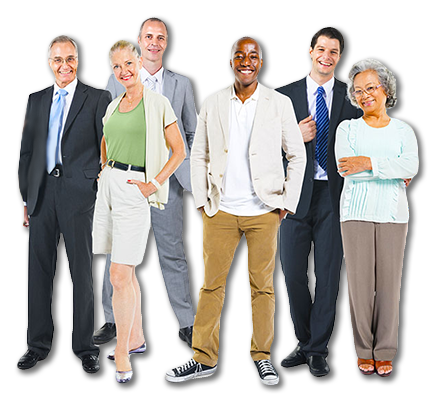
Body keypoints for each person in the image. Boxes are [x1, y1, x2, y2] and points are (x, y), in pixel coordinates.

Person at [163, 35, 306, 385]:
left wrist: (285, 203)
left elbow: (296, 155)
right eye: (238, 54)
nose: (245, 60)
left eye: (252, 55)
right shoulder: (212, 103)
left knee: (264, 287)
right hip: (220, 210)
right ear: (229, 61)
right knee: (211, 286)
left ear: (263, 62)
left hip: (264, 211)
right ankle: (204, 358)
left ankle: (262, 357)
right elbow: (199, 154)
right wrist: (200, 200)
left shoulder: (279, 103)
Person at [94, 17, 198, 350]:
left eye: (160, 37)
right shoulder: (114, 80)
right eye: (148, 36)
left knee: (174, 254)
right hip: (124, 182)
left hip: (166, 184)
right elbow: (104, 132)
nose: (154, 42)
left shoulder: (181, 84)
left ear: (168, 43)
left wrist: (189, 176)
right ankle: (112, 321)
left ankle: (187, 324)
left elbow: (191, 131)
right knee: (116, 257)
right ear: (138, 41)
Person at [16, 34, 112, 378]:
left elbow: (108, 148)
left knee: (82, 274)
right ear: (48, 62)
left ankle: (85, 348)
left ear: (80, 60)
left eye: (70, 58)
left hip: (81, 197)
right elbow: (25, 153)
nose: (64, 65)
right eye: (57, 59)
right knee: (39, 273)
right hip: (41, 197)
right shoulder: (36, 98)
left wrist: (98, 189)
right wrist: (25, 199)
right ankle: (38, 345)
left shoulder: (98, 97)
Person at [276, 25, 362, 377]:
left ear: (341, 58)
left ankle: (316, 351)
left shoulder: (350, 97)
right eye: (321, 49)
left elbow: (366, 139)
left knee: (327, 275)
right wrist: (291, 137)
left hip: (334, 197)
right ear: (310, 50)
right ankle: (304, 340)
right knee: (293, 273)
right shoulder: (282, 96)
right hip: (292, 196)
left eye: (334, 53)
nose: (326, 57)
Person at [335, 57, 418, 378]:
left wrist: (368, 162)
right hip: (354, 214)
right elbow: (347, 168)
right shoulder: (348, 128)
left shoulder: (403, 129)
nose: (364, 95)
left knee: (389, 286)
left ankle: (385, 351)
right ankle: (362, 351)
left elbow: (410, 167)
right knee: (359, 285)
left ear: (386, 89)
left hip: (393, 215)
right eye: (357, 91)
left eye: (371, 87)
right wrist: (388, 168)